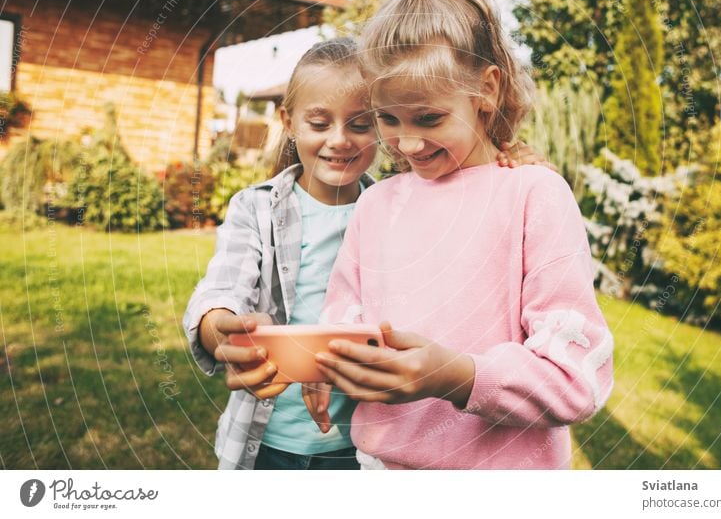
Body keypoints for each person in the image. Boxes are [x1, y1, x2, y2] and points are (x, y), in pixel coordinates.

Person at [182, 38, 553, 470]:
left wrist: (508, 156)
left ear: (380, 125)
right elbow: (219, 293)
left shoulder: (398, 209)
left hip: (361, 449)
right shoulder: (257, 208)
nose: (339, 141)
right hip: (265, 441)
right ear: (289, 121)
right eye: (319, 123)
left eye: (360, 124)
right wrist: (221, 331)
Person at [310, 0, 614, 470]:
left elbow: (576, 377)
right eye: (387, 118)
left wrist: (458, 376)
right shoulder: (376, 205)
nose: (406, 142)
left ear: (487, 90)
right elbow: (343, 316)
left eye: (429, 118)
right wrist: (324, 360)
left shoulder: (532, 194)